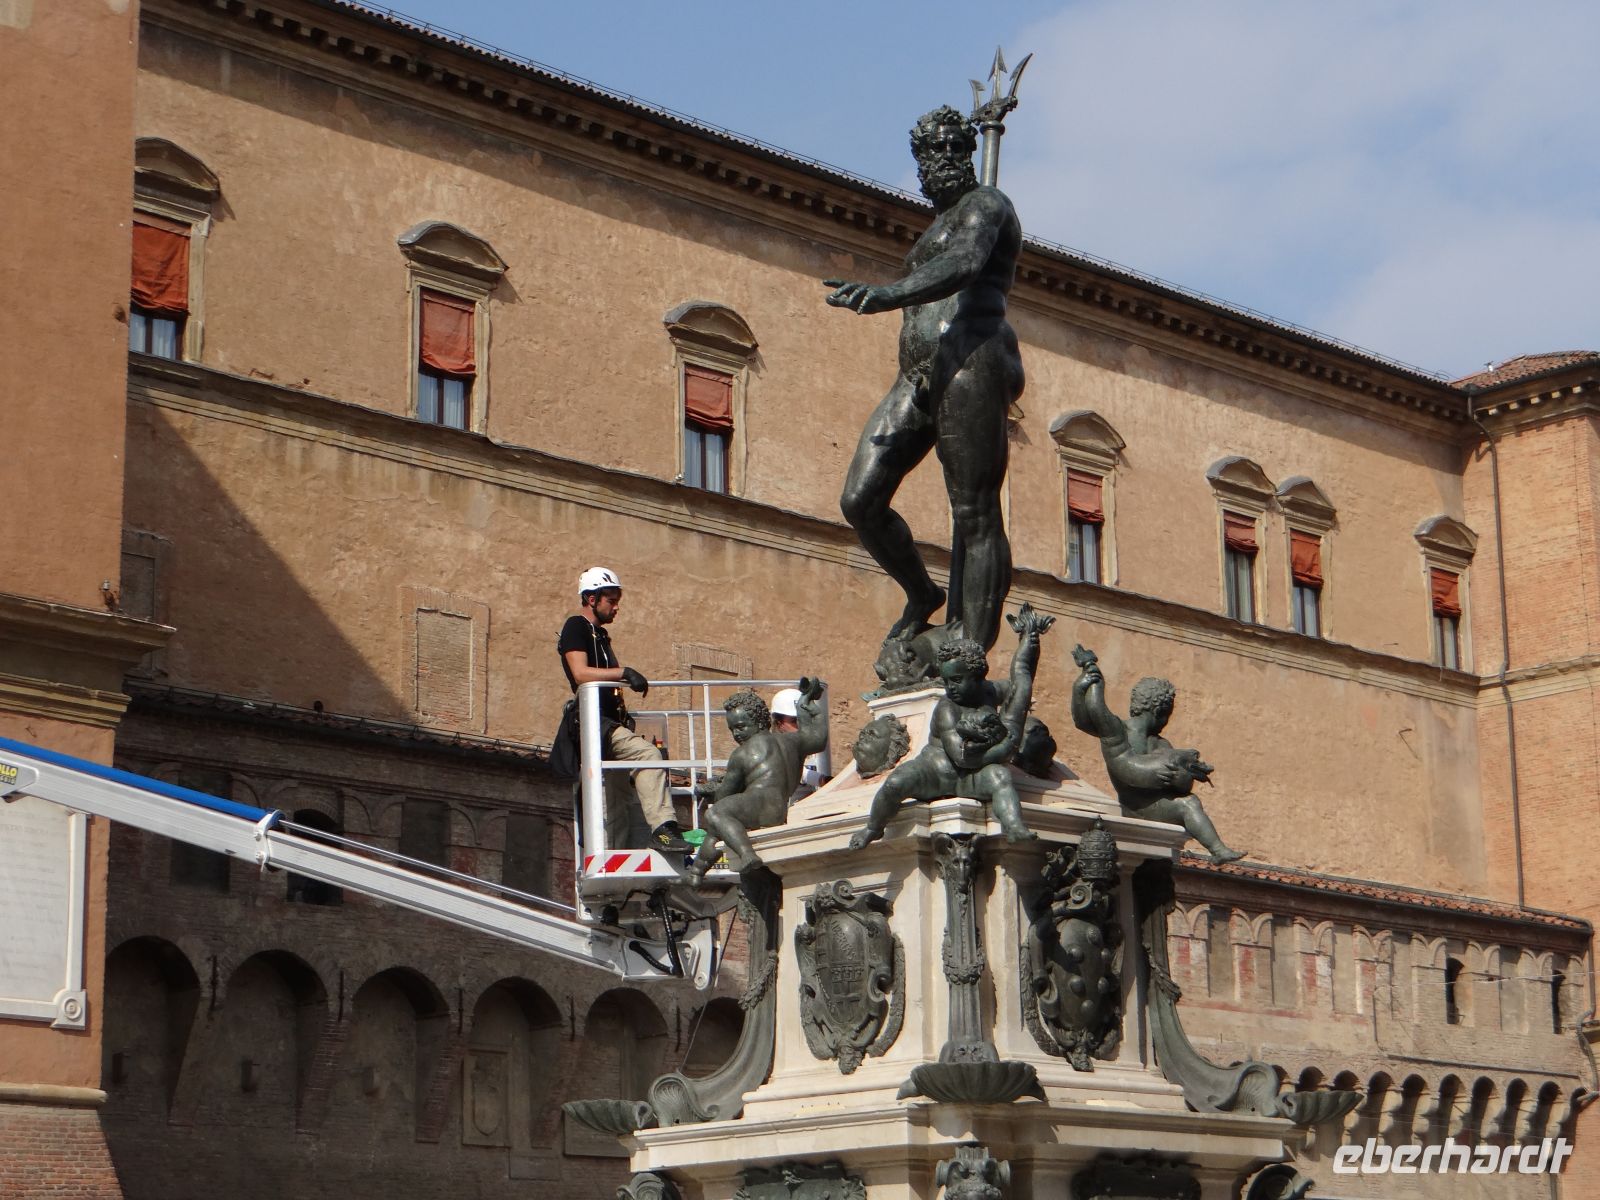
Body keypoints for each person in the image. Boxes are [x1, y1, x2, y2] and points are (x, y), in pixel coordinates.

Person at [823, 104, 1024, 653]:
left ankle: (970, 645)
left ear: (961, 156)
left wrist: (887, 293)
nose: (925, 172)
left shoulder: (987, 205)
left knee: (973, 509)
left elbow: (964, 262)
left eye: (935, 158)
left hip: (970, 357)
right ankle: (922, 593)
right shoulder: (937, 223)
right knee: (860, 500)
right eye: (920, 160)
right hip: (915, 377)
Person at [848, 604, 1052, 850]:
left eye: (956, 680)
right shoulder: (947, 708)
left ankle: (1014, 827)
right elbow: (963, 757)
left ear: (979, 677)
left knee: (1001, 777)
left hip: (970, 778)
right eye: (945, 680)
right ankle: (873, 827)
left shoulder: (989, 692)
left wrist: (1029, 639)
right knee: (894, 783)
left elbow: (1022, 679)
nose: (949, 687)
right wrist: (1005, 747)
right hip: (935, 772)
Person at [1068, 645, 1245, 864]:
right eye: (1167, 715)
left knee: (1189, 801)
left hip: (1155, 807)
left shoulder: (1162, 743)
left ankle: (1218, 850)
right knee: (1188, 804)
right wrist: (1086, 680)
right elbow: (1090, 714)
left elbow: (1181, 785)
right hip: (1134, 808)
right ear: (1160, 710)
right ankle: (1218, 850)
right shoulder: (1118, 730)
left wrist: (1180, 778)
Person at [558, 567, 689, 853]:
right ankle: (663, 830)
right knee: (648, 754)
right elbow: (580, 673)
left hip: (609, 724)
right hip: (596, 724)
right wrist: (624, 672)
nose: (616, 607)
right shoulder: (576, 627)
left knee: (616, 799)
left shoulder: (600, 636)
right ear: (591, 599)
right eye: (611, 600)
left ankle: (613, 858)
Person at [686, 680, 829, 883]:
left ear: (760, 721)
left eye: (741, 727)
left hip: (760, 806)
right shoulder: (793, 741)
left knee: (716, 814)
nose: (736, 734)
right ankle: (697, 872)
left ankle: (747, 854)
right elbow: (819, 738)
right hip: (780, 809)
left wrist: (713, 789)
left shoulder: (742, 753)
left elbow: (723, 797)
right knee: (719, 828)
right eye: (732, 729)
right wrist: (810, 706)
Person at [771, 685, 831, 801]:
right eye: (794, 721)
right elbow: (794, 769)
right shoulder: (773, 747)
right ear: (779, 723)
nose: (801, 725)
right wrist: (821, 779)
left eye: (804, 719)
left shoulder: (810, 742)